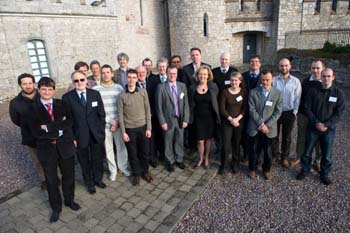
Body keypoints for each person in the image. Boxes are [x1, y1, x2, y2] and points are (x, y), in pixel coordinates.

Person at [26, 77, 80, 222]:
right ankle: (56, 207)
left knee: (69, 176)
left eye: (50, 89)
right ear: (39, 90)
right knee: (51, 180)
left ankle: (69, 200)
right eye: (43, 89)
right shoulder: (32, 108)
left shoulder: (62, 104)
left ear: (54, 90)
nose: (47, 92)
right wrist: (58, 127)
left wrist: (48, 127)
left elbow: (69, 122)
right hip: (46, 149)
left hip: (65, 147)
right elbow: (35, 132)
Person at [296, 68, 345, 185]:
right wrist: (316, 122)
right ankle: (305, 170)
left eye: (328, 76)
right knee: (307, 151)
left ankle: (324, 174)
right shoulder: (313, 91)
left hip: (329, 129)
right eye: (324, 76)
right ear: (321, 77)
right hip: (313, 126)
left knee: (327, 154)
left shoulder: (338, 93)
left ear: (333, 77)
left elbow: (339, 113)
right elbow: (307, 108)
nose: (326, 78)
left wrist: (326, 124)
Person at [62, 71, 106, 194]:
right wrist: (72, 137)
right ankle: (89, 183)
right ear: (73, 83)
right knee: (84, 161)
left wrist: (101, 130)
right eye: (76, 81)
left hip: (96, 134)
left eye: (82, 79)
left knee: (98, 158)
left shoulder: (95, 94)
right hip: (80, 135)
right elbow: (68, 121)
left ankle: (98, 179)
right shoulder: (67, 98)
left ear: (86, 80)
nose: (79, 82)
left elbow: (101, 114)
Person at [93, 64, 130, 181]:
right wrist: (111, 122)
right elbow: (98, 111)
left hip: (119, 124)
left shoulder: (119, 88)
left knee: (121, 147)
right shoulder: (96, 90)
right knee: (108, 149)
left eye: (108, 72)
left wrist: (118, 122)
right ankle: (113, 170)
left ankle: (123, 167)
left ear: (112, 73)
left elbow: (123, 107)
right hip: (105, 125)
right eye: (103, 73)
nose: (105, 75)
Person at [9, 73, 46, 190]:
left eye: (30, 83)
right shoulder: (15, 103)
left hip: (48, 134)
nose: (28, 86)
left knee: (54, 158)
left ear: (34, 83)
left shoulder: (44, 95)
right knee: (38, 161)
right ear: (20, 85)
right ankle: (44, 180)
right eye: (24, 84)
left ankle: (57, 177)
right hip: (31, 137)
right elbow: (16, 120)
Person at [118, 69, 153, 186]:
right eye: (129, 77)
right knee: (132, 153)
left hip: (143, 127)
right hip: (129, 129)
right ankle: (136, 174)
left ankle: (145, 171)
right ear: (126, 79)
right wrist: (123, 132)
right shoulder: (122, 95)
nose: (131, 80)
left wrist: (149, 128)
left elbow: (148, 110)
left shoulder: (143, 92)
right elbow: (120, 115)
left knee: (144, 152)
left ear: (137, 79)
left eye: (134, 77)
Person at [247, 70, 282, 180]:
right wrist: (261, 124)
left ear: (272, 79)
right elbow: (251, 110)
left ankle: (266, 169)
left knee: (268, 151)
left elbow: (278, 111)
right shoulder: (253, 92)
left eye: (267, 80)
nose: (265, 82)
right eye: (263, 80)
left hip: (269, 128)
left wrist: (267, 125)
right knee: (253, 149)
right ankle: (252, 168)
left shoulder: (277, 93)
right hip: (255, 126)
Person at [290, 60, 323, 171]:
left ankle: (317, 161)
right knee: (301, 137)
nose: (315, 70)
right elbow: (300, 97)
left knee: (319, 140)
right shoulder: (305, 81)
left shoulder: (325, 82)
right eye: (313, 68)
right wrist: (297, 112)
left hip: (319, 117)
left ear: (322, 68)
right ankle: (299, 156)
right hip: (304, 115)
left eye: (318, 68)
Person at [155, 66, 190, 172]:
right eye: (170, 73)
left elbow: (186, 104)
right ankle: (169, 161)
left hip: (180, 119)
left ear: (177, 74)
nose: (172, 75)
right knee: (168, 141)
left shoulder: (182, 86)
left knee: (179, 140)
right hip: (167, 120)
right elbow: (158, 106)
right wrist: (162, 122)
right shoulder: (161, 87)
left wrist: (186, 119)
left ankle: (179, 159)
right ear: (167, 73)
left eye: (174, 73)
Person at [189, 66, 220, 169]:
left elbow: (216, 101)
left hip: (210, 118)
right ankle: (200, 158)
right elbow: (190, 103)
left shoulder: (213, 87)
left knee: (208, 139)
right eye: (200, 74)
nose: (202, 76)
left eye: (205, 74)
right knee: (200, 140)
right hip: (198, 118)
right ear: (197, 75)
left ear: (208, 75)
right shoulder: (192, 88)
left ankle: (206, 158)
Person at [272, 58, 301, 167]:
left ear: (290, 66)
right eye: (281, 65)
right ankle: (274, 155)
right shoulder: (274, 80)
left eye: (286, 65)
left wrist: (295, 112)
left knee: (287, 137)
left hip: (289, 113)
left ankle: (284, 156)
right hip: (276, 112)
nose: (284, 68)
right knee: (274, 136)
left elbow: (298, 98)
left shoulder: (296, 81)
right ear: (278, 67)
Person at [218, 72, 247, 175]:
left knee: (236, 144)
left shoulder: (243, 92)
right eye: (232, 80)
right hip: (227, 122)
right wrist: (231, 119)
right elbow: (222, 108)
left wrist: (237, 119)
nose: (234, 82)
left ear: (240, 81)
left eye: (236, 80)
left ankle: (235, 163)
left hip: (239, 122)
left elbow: (245, 108)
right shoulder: (225, 92)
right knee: (225, 145)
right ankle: (223, 164)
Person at [136, 65, 158, 167]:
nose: (141, 74)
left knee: (152, 139)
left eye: (143, 72)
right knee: (141, 140)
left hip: (151, 116)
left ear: (146, 73)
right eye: (139, 73)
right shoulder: (133, 86)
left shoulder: (152, 84)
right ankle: (143, 159)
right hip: (139, 118)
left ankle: (152, 158)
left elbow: (156, 100)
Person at [241, 55, 262, 162]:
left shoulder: (264, 76)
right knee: (245, 133)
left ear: (260, 64)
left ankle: (257, 155)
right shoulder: (243, 76)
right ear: (249, 63)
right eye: (252, 61)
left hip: (259, 109)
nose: (254, 63)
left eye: (256, 61)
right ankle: (246, 153)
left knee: (257, 133)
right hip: (245, 108)